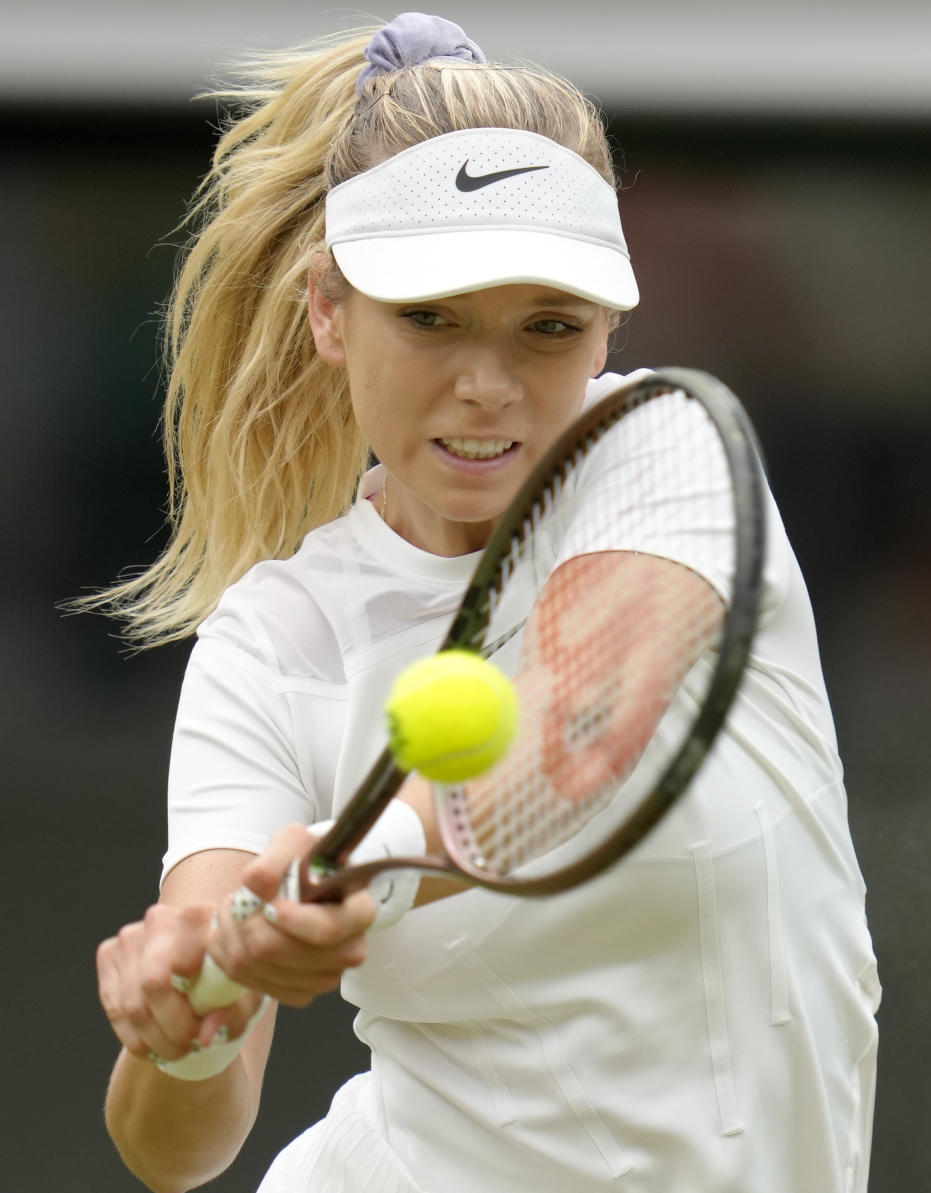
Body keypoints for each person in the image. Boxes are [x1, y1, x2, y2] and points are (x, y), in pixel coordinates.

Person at [93, 13, 880, 1193]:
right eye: (431, 316)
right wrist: (189, 1014)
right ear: (327, 308)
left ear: (608, 328)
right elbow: (178, 1143)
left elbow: (572, 732)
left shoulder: (665, 448)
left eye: (547, 328)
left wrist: (361, 860)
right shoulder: (271, 640)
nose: (487, 385)